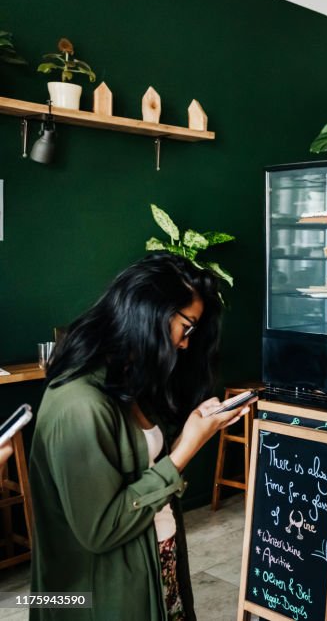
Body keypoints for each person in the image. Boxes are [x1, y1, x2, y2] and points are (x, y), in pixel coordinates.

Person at [29, 253, 249, 621]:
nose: (185, 344)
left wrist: (189, 431)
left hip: (155, 567)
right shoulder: (79, 405)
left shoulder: (127, 384)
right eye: (187, 327)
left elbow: (141, 472)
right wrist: (185, 450)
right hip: (111, 597)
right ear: (152, 313)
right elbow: (101, 530)